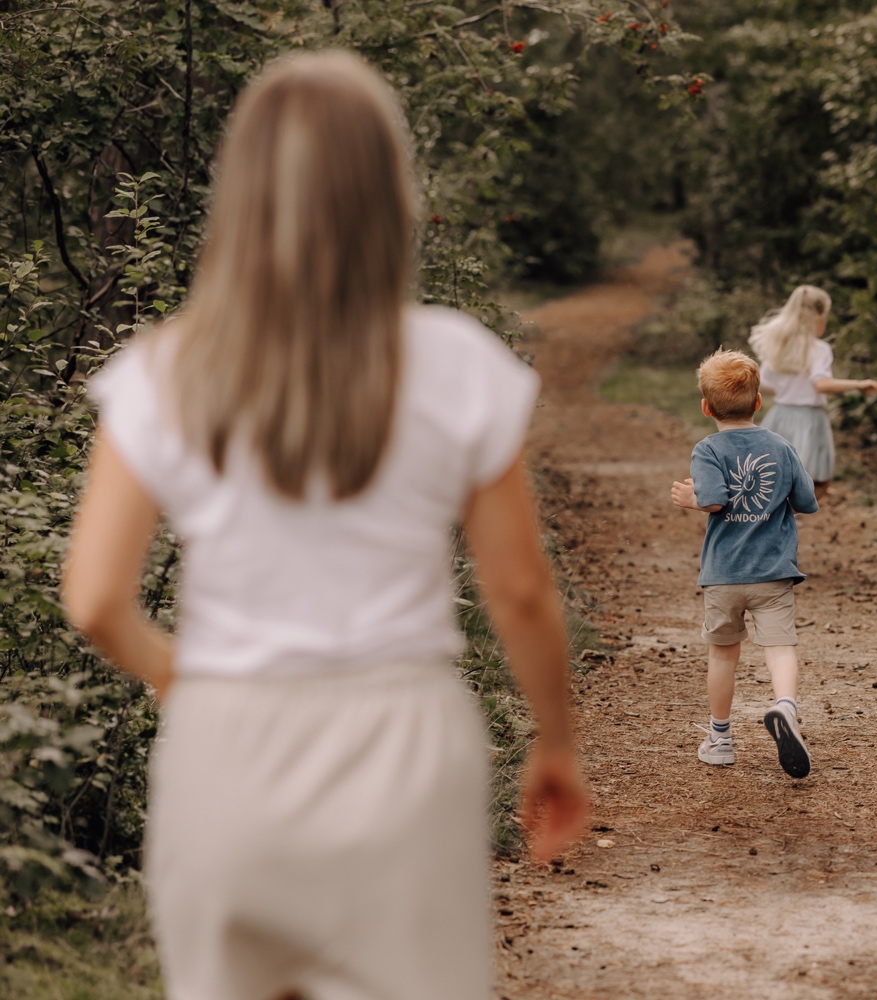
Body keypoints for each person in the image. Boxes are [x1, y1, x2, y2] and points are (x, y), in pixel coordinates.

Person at [60, 51, 588, 1000]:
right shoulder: (455, 364)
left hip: (225, 746)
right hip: (400, 746)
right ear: (390, 197)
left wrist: (184, 675)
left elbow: (96, 598)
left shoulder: (163, 373)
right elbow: (517, 590)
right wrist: (554, 743)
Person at [670, 349, 820, 777]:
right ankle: (786, 708)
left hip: (724, 575)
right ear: (759, 402)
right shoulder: (781, 445)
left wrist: (693, 500)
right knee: (780, 648)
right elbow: (806, 502)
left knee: (723, 655)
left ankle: (720, 739)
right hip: (774, 572)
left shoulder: (708, 449)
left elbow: (715, 499)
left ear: (705, 407)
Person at [751, 285, 877, 499]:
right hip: (809, 420)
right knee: (818, 482)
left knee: (774, 479)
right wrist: (858, 384)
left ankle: (771, 519)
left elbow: (764, 384)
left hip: (780, 417)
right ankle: (784, 519)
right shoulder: (819, 349)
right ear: (819, 317)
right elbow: (821, 385)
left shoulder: (780, 345)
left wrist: (789, 386)